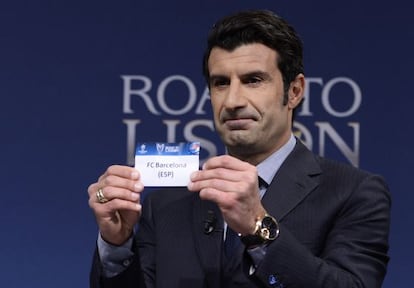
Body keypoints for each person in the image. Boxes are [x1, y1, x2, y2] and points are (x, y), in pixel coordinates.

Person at [88, 9, 390, 288]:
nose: (233, 101)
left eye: (253, 80)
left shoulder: (354, 193)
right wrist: (116, 245)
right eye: (221, 83)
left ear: (294, 91)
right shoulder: (164, 205)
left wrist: (259, 227)